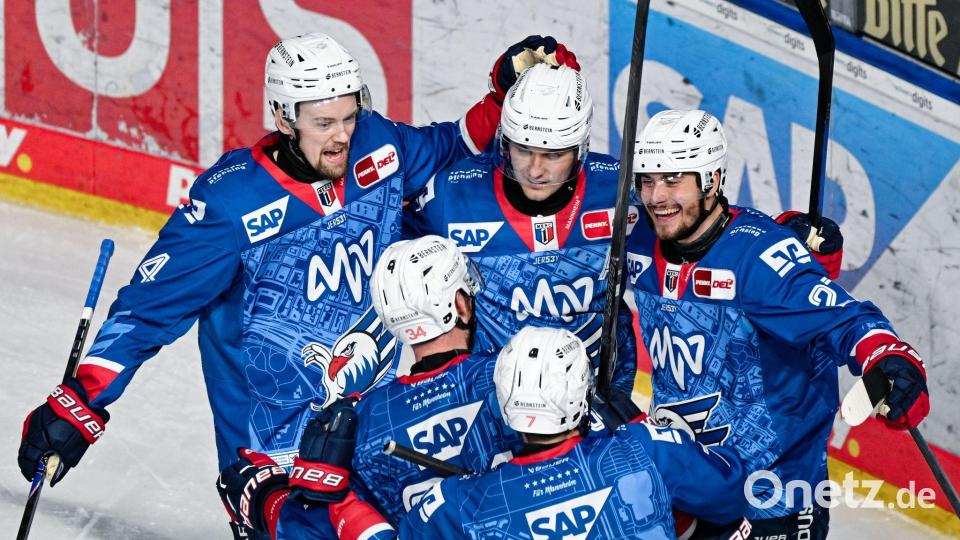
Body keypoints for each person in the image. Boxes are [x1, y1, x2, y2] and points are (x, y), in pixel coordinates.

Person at [17, 32, 579, 537]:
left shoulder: (375, 144)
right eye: (323, 123)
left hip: (373, 442)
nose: (341, 138)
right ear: (284, 118)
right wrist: (79, 404)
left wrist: (504, 97)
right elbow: (145, 312)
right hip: (273, 466)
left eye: (348, 118)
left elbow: (449, 149)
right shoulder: (230, 202)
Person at [406, 63, 843, 403]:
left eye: (553, 154)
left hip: (599, 398)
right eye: (523, 149)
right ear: (503, 141)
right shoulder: (449, 195)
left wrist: (789, 241)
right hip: (489, 396)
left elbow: (706, 239)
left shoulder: (621, 192)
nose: (535, 170)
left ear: (580, 148)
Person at [626, 109, 929, 539]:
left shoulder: (759, 260)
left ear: (712, 180)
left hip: (772, 501)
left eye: (674, 179)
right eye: (648, 180)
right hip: (691, 485)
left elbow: (845, 319)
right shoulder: (640, 236)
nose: (656, 196)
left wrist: (888, 356)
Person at [307, 326, 751, 539]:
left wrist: (338, 492)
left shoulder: (454, 504)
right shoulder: (645, 450)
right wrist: (637, 426)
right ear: (581, 397)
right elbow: (732, 496)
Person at [217, 235, 526, 538]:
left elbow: (313, 527)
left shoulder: (359, 420)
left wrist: (267, 499)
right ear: (460, 304)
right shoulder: (512, 375)